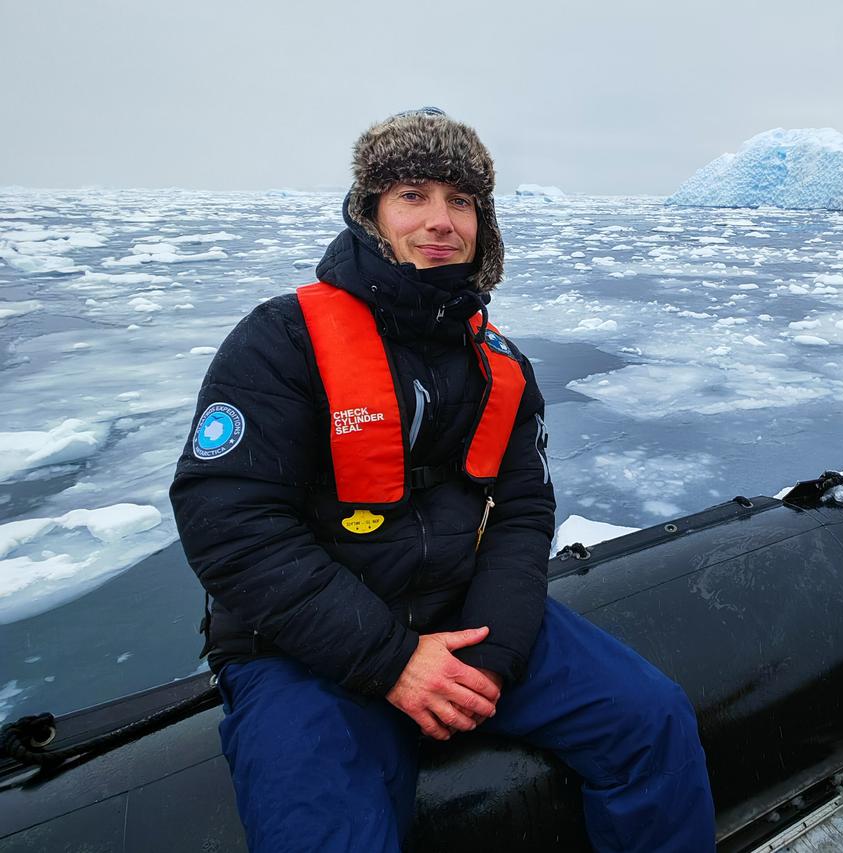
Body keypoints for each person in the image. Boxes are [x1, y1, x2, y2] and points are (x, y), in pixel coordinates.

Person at [170, 107, 716, 852]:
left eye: (461, 200)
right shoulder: (282, 340)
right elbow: (229, 521)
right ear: (370, 212)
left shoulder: (498, 362)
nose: (440, 220)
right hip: (305, 650)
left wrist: (492, 657)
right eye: (413, 195)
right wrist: (393, 662)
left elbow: (523, 509)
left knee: (651, 721)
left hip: (467, 617)